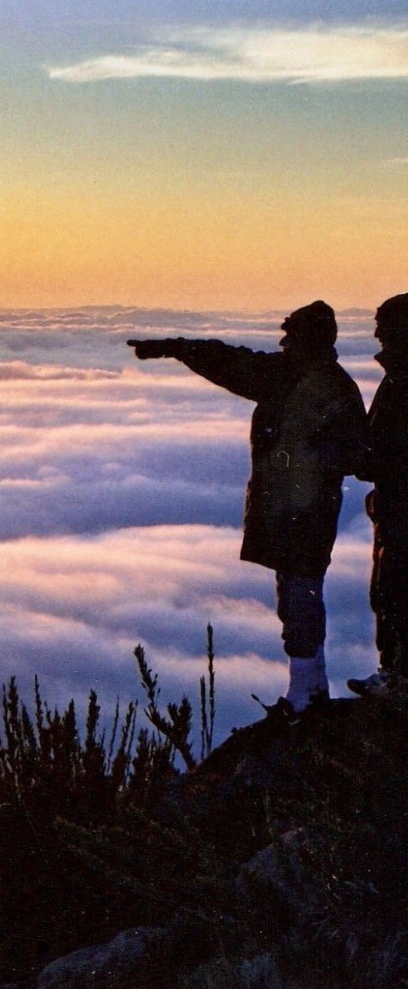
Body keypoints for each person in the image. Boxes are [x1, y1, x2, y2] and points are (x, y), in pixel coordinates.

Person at [128, 301, 368, 712]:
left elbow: (231, 363)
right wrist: (176, 347)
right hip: (307, 509)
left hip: (302, 511)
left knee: (299, 594)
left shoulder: (296, 381)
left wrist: (175, 347)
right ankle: (309, 686)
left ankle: (306, 692)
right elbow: (231, 361)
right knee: (299, 592)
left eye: (291, 335)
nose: (283, 341)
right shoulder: (325, 384)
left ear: (306, 340)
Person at [348, 293, 408, 698]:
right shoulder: (396, 379)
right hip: (393, 506)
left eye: (384, 326)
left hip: (400, 508)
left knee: (394, 590)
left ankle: (397, 676)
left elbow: (384, 446)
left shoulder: (401, 382)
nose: (376, 334)